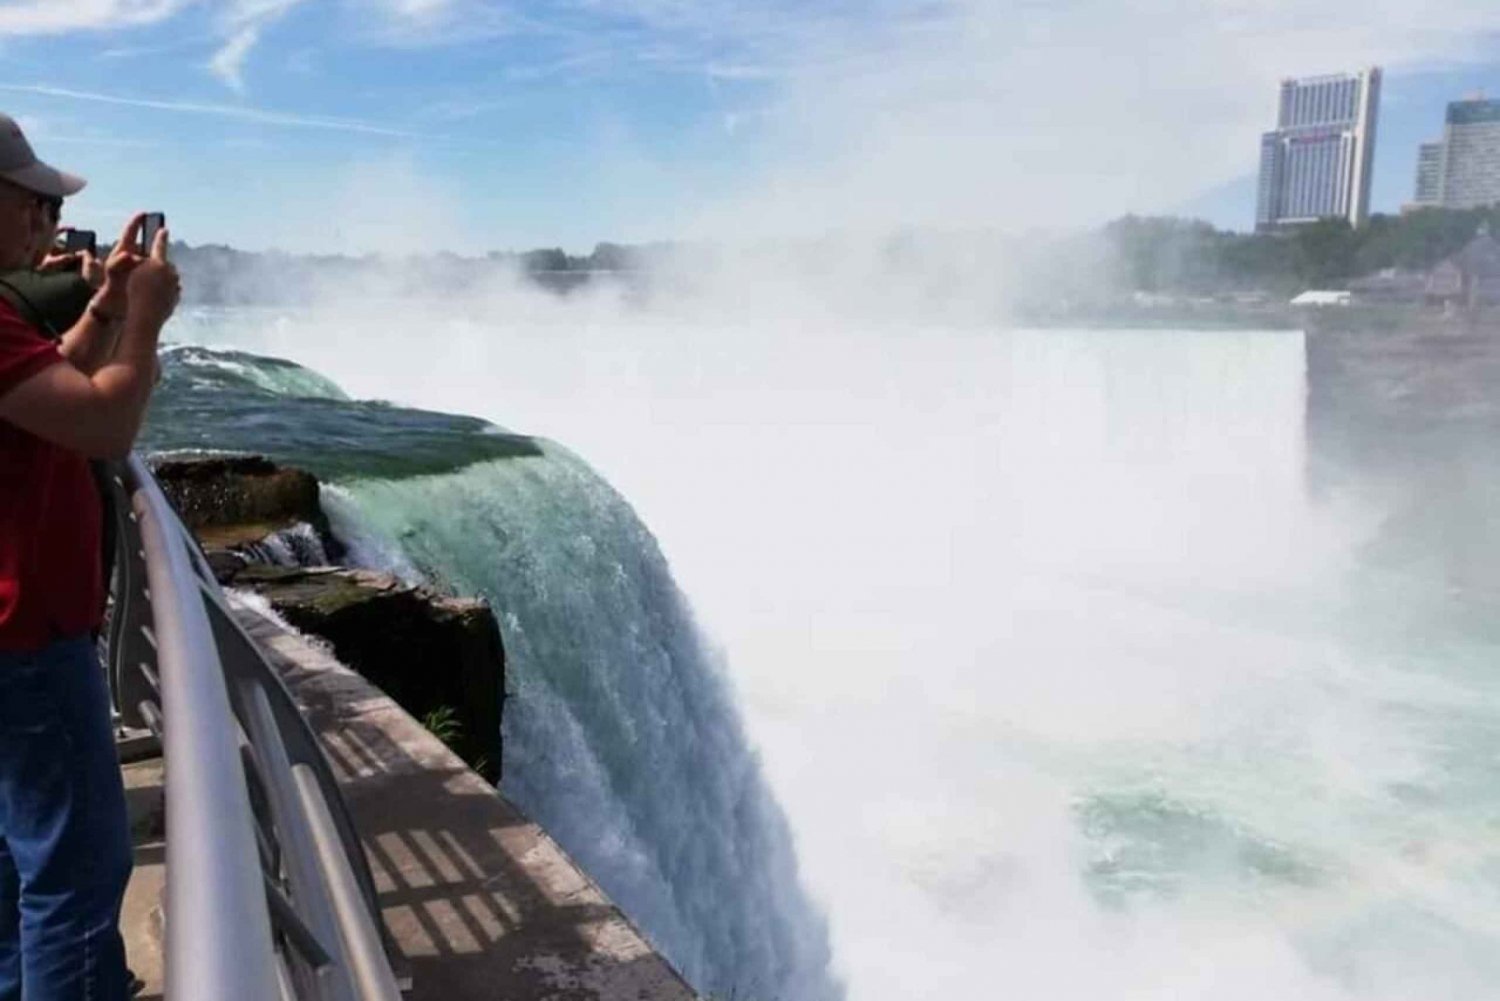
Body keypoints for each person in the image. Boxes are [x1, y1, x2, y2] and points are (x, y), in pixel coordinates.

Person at [0, 113, 179, 1000]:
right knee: (76, 872)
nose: (44, 219)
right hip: (26, 638)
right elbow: (105, 422)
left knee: (15, 855)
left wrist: (106, 302)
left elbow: (51, 387)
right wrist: (146, 322)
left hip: (15, 635)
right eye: (30, 201)